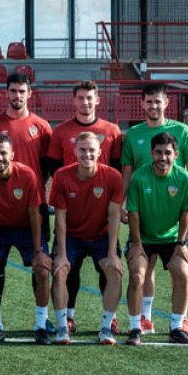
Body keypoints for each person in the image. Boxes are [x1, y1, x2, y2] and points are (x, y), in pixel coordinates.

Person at [120, 82, 188, 337]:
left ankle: (181, 320)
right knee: (145, 268)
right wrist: (124, 203)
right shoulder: (133, 134)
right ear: (142, 104)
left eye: (158, 101)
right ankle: (144, 317)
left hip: (173, 210)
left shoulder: (182, 131)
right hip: (142, 209)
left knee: (181, 267)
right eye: (149, 102)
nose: (153, 106)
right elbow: (127, 172)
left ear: (167, 103)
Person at [43, 79, 122, 334]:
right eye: (81, 98)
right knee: (69, 269)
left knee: (109, 269)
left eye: (90, 98)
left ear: (97, 100)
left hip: (101, 211)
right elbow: (54, 170)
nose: (85, 102)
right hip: (73, 207)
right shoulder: (61, 132)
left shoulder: (111, 130)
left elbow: (119, 168)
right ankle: (68, 317)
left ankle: (110, 320)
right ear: (73, 100)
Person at [0, 73, 52, 325]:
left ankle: (43, 319)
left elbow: (48, 165)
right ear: (6, 93)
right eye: (13, 91)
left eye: (22, 91)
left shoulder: (42, 127)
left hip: (32, 204)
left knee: (40, 262)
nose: (17, 96)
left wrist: (34, 191)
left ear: (29, 94)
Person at [49, 132, 125, 345]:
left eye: (92, 150)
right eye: (82, 149)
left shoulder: (112, 177)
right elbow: (60, 219)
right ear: (75, 151)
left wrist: (112, 254)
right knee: (59, 272)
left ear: (100, 152)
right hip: (71, 237)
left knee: (115, 272)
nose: (87, 154)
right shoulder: (62, 176)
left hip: (100, 237)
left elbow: (113, 216)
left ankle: (106, 327)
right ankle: (63, 327)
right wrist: (62, 255)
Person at [0, 134, 50, 345]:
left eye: (3, 153)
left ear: (12, 155)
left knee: (43, 269)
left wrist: (37, 251)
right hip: (0, 231)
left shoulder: (27, 175)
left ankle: (41, 326)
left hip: (27, 228)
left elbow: (35, 214)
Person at [124, 132, 188, 346]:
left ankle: (176, 327)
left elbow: (186, 212)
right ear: (151, 154)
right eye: (158, 152)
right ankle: (135, 327)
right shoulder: (139, 177)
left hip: (171, 239)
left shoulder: (184, 178)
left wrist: (181, 243)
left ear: (175, 154)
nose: (162, 157)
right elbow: (134, 214)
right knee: (137, 275)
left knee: (183, 273)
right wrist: (137, 244)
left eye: (167, 153)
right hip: (143, 238)